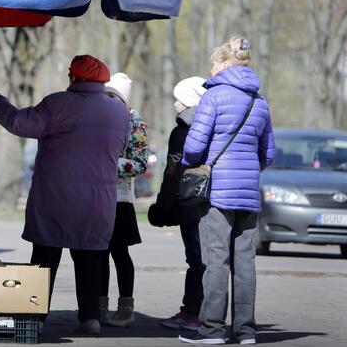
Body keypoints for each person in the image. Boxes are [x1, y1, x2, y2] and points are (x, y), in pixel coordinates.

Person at [0, 55, 130, 335]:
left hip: (56, 198)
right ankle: (90, 318)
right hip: (98, 201)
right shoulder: (119, 111)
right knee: (91, 258)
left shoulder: (58, 103)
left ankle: (37, 314)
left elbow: (21, 124)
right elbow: (122, 145)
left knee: (45, 258)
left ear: (73, 77)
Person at [178, 36, 275, 345]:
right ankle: (246, 331)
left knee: (216, 259)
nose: (210, 69)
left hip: (217, 192)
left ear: (222, 63)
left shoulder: (214, 96)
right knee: (245, 261)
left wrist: (189, 162)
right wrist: (248, 171)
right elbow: (268, 154)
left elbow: (193, 147)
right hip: (249, 192)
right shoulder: (260, 101)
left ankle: (212, 330)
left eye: (212, 63)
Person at [150, 76, 208, 332]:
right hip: (212, 203)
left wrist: (163, 207)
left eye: (180, 98)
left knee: (196, 260)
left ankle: (192, 314)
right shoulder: (213, 126)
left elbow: (173, 173)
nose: (175, 103)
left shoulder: (182, 132)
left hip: (190, 204)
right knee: (208, 260)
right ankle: (208, 314)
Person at [99, 73, 148, 328]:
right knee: (98, 254)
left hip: (120, 199)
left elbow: (139, 164)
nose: (107, 100)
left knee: (119, 253)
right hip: (95, 197)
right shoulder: (98, 118)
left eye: (112, 96)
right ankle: (100, 307)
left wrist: (106, 164)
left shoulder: (134, 122)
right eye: (105, 95)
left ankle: (125, 309)